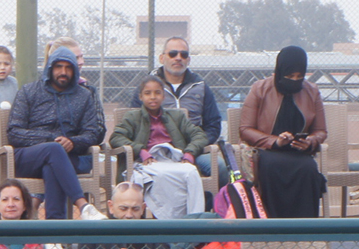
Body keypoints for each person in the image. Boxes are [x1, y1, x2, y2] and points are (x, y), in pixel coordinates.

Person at [6, 46, 104, 220]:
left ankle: (54, 239)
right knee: (53, 150)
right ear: (50, 69)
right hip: (27, 157)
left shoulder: (84, 96)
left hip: (66, 157)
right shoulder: (29, 91)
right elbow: (14, 132)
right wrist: (49, 140)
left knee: (52, 166)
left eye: (68, 68)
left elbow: (92, 133)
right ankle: (83, 206)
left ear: (74, 70)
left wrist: (73, 142)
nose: (63, 72)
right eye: (59, 67)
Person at [239, 46, 327, 219]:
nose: (294, 81)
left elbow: (321, 130)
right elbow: (245, 129)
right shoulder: (260, 89)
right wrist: (275, 141)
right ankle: (272, 227)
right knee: (272, 167)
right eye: (289, 77)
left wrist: (309, 141)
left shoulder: (312, 91)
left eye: (299, 77)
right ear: (279, 72)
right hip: (268, 151)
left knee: (308, 168)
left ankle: (305, 230)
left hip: (299, 153)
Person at [111, 76, 207, 220]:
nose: (153, 97)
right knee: (160, 177)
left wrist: (190, 153)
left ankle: (195, 221)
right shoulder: (133, 117)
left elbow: (199, 135)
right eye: (148, 93)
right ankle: (168, 222)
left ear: (163, 96)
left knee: (192, 172)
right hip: (149, 163)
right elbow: (116, 137)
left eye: (157, 93)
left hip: (174, 160)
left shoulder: (176, 116)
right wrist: (141, 151)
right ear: (141, 97)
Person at [129, 37, 223, 178]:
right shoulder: (148, 87)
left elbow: (213, 125)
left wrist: (193, 148)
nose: (178, 58)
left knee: (220, 167)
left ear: (188, 60)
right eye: (173, 54)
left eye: (183, 55)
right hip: (156, 151)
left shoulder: (201, 87)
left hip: (195, 151)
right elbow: (134, 122)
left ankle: (209, 200)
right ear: (162, 58)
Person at [75, 182, 178, 249]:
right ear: (111, 207)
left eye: (135, 209)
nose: (129, 215)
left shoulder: (155, 235)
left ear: (142, 208)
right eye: (123, 209)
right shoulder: (94, 235)